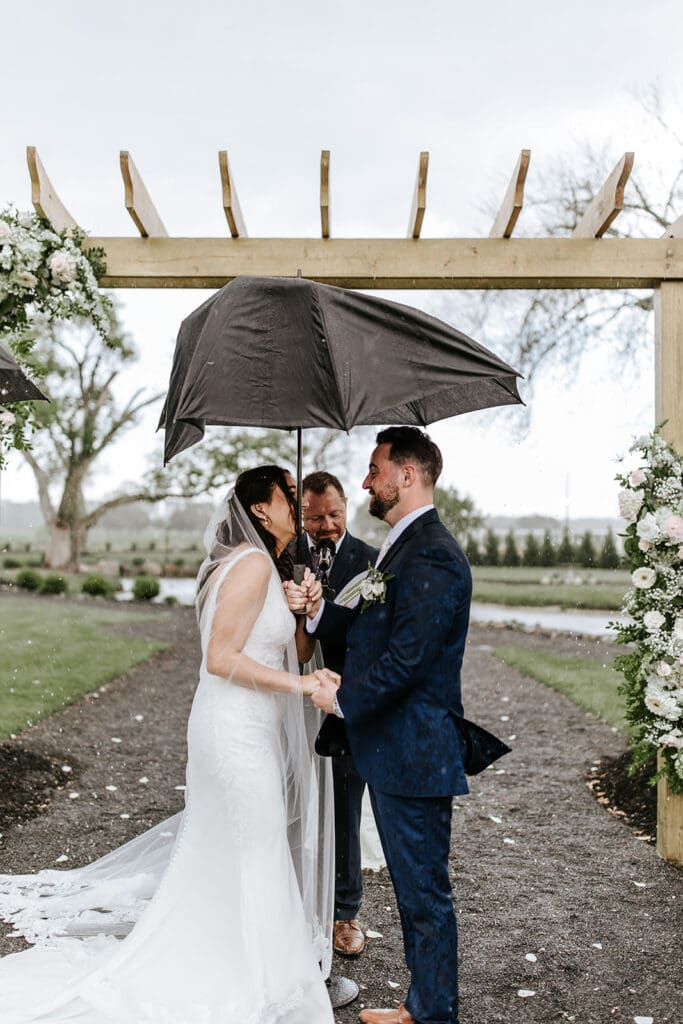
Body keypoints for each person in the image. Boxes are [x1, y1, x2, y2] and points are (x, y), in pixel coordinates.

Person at [0, 465, 337, 1024]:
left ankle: (259, 965)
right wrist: (304, 687)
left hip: (247, 728)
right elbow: (222, 659)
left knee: (251, 846)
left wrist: (302, 612)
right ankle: (249, 974)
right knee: (253, 843)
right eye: (290, 496)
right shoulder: (250, 565)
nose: (299, 506)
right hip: (233, 733)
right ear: (260, 510)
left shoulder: (266, 569)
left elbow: (293, 652)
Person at [306, 428, 471, 1024]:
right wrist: (320, 611)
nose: (366, 481)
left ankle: (432, 1016)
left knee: (425, 894)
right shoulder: (401, 549)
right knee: (412, 890)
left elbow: (410, 659)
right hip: (398, 751)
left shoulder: (431, 553)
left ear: (407, 475)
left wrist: (344, 699)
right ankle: (420, 1005)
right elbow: (371, 629)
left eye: (375, 469)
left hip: (416, 753)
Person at [287, 471, 378, 958]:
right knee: (289, 799)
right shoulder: (284, 555)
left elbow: (369, 630)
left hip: (343, 697)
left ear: (347, 509)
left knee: (345, 804)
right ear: (301, 513)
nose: (325, 525)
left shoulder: (369, 561)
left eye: (334, 514)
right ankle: (283, 900)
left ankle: (346, 912)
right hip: (287, 691)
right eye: (316, 516)